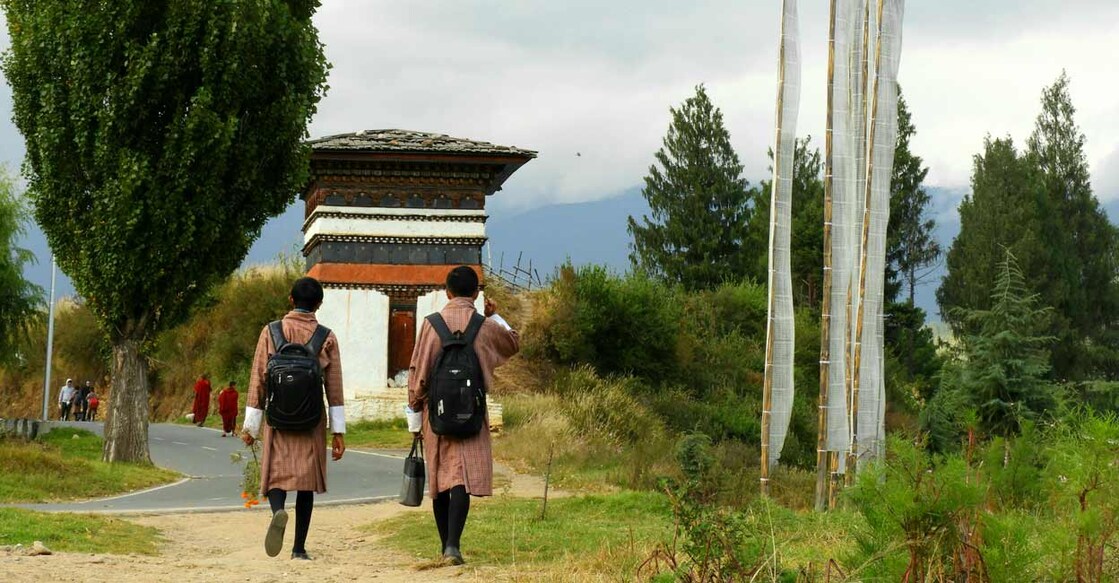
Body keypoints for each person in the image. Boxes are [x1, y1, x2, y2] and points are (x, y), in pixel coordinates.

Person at [407, 266, 520, 566]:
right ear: (475, 293)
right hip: (472, 412)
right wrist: (495, 315)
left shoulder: (431, 324)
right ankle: (453, 546)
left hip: (437, 413)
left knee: (440, 477)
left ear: (447, 292)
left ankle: (445, 545)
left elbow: (418, 372)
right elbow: (513, 342)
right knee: (461, 477)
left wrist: (414, 413)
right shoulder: (484, 325)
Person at [242, 277, 346, 561]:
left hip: (278, 418)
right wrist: (338, 432)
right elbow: (334, 387)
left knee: (276, 474)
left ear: (290, 299)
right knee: (306, 484)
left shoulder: (271, 332)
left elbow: (258, 378)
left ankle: (279, 511)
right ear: (319, 304)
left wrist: (251, 426)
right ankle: (299, 548)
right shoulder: (326, 337)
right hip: (311, 421)